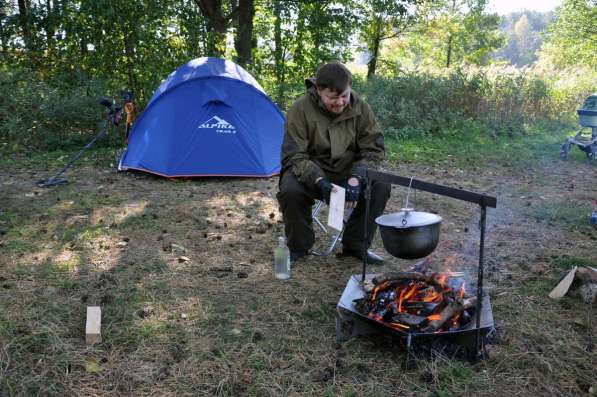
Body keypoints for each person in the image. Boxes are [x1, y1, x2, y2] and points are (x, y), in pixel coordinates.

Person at [277, 61, 391, 264]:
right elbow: (294, 155)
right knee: (289, 189)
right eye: (333, 97)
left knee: (381, 185)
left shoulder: (361, 107)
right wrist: (319, 180)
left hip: (349, 169)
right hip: (313, 170)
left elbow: (373, 149)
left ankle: (356, 245)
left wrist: (357, 177)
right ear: (319, 90)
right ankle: (298, 246)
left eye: (344, 95)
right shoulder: (300, 108)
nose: (340, 102)